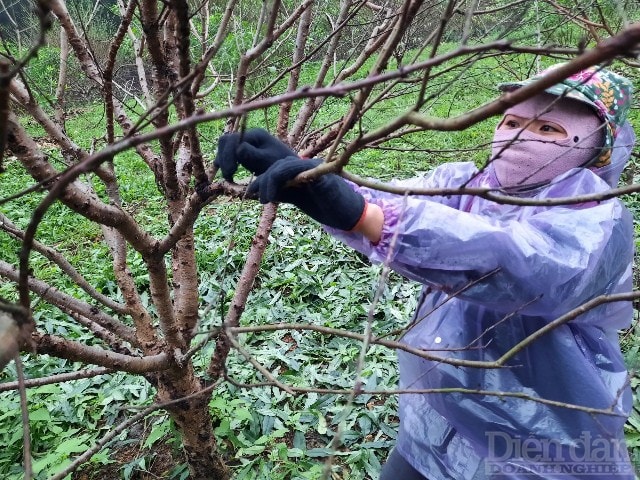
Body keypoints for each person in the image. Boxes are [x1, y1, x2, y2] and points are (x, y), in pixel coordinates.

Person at [214, 64, 636, 479]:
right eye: (511, 120)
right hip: (439, 418)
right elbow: (395, 201)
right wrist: (316, 177)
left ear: (599, 146)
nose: (520, 136)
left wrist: (360, 214)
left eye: (549, 130)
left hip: (542, 438)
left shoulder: (598, 216)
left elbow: (522, 266)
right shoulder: (467, 183)